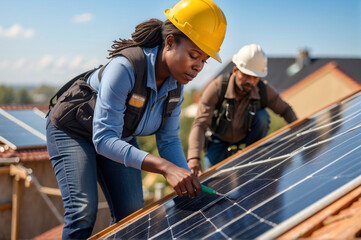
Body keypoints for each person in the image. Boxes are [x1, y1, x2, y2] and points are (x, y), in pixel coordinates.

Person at [46, 0, 227, 238]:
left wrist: (189, 183)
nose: (198, 67)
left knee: (131, 214)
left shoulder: (176, 88)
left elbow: (169, 140)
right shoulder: (125, 68)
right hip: (73, 131)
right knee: (82, 213)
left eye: (204, 60)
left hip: (117, 136)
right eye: (194, 55)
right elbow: (103, 139)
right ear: (170, 42)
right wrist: (166, 168)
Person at [187, 44, 297, 176]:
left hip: (247, 140)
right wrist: (193, 157)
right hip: (218, 139)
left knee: (262, 116)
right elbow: (200, 124)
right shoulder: (217, 88)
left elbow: (286, 110)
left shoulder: (263, 90)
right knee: (214, 180)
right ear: (235, 70)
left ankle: (253, 154)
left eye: (255, 77)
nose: (250, 81)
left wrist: (300, 130)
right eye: (246, 75)